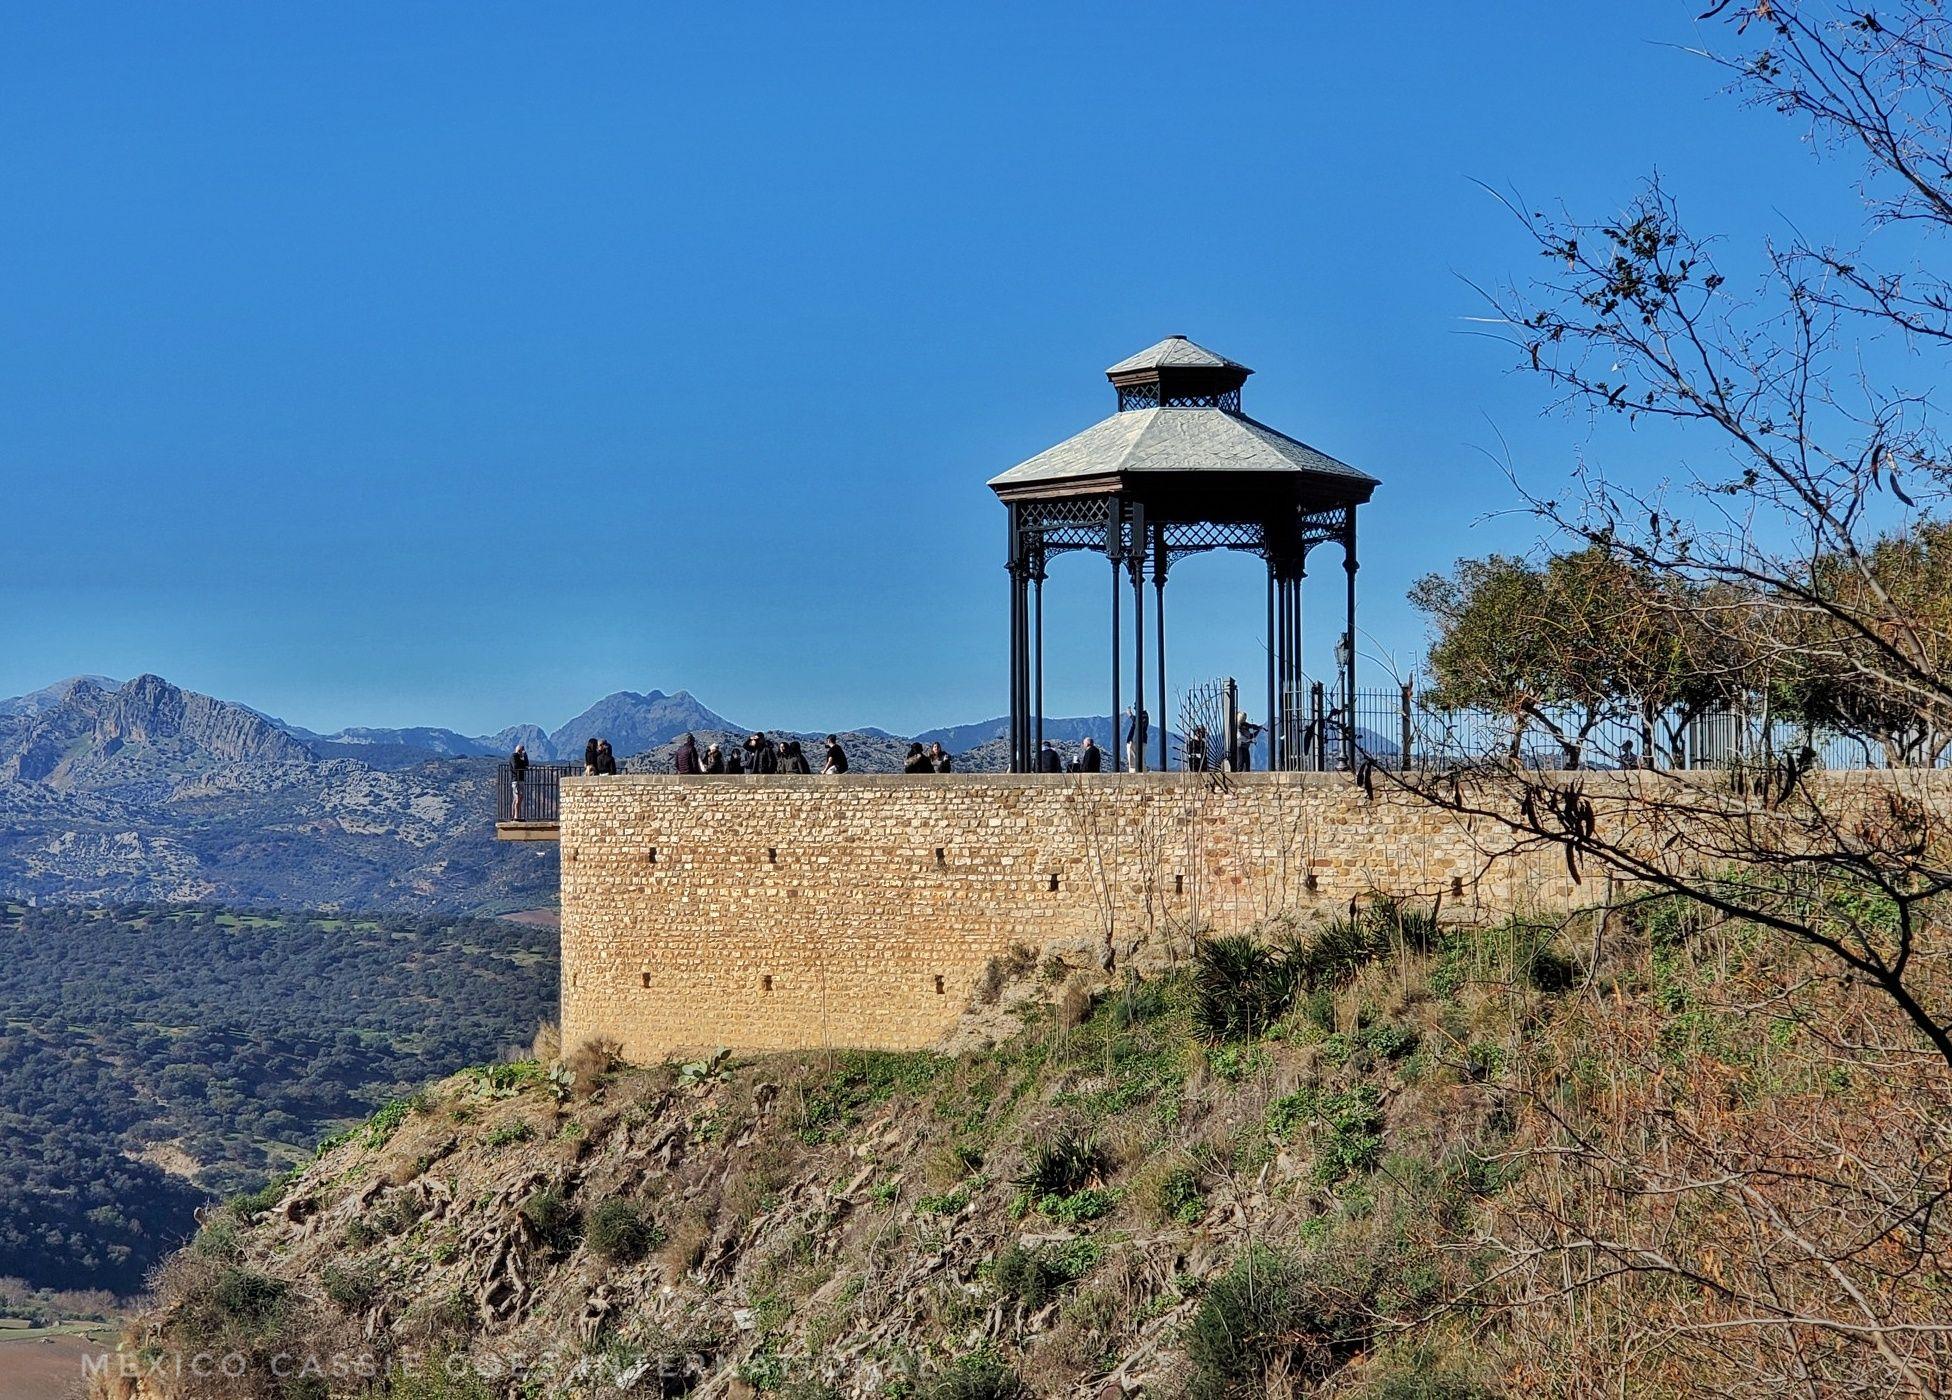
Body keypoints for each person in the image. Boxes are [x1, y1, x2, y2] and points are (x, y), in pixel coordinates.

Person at [1126, 705, 1149, 773]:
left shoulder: (1144, 715)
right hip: (1132, 739)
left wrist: (1131, 716)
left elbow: (1139, 723)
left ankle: (1141, 774)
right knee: (1131, 759)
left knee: (1139, 759)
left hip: (1141, 740)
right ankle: (1134, 773)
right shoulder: (1139, 717)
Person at [508, 743, 528, 820]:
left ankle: (514, 815)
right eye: (522, 751)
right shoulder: (514, 756)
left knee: (520, 797)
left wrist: (525, 756)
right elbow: (515, 767)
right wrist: (522, 763)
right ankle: (515, 816)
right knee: (517, 798)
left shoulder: (520, 758)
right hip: (516, 780)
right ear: (519, 751)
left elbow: (526, 765)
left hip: (521, 780)